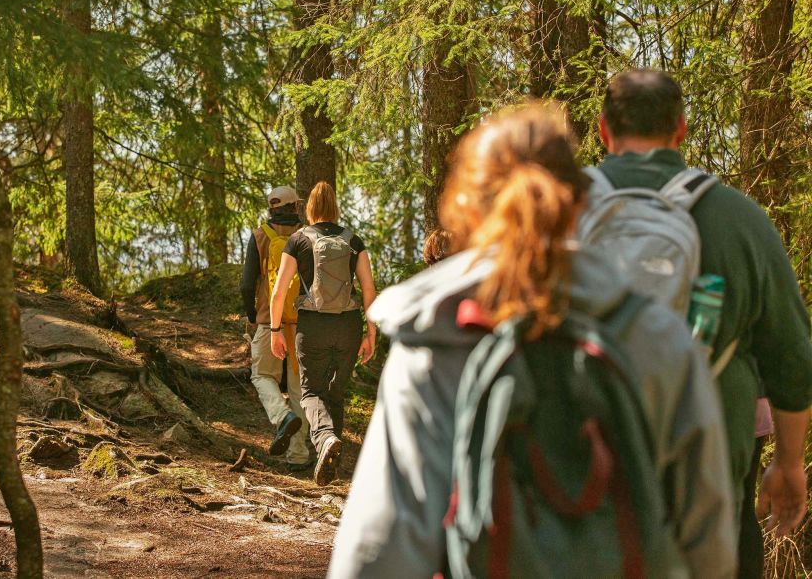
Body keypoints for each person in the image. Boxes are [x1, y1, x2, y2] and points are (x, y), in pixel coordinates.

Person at [329, 103, 736, 578]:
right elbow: (708, 537)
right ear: (582, 203)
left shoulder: (434, 339)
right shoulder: (656, 337)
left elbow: (382, 548)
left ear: (464, 210)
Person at [593, 70, 812, 566]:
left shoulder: (549, 211)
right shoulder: (739, 218)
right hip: (707, 468)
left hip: (579, 469)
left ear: (604, 131)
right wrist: (790, 463)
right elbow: (793, 362)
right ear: (681, 130)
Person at [269, 181, 377, 486]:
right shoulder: (353, 241)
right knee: (335, 394)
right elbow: (368, 289)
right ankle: (331, 464)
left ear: (311, 209)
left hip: (313, 324)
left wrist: (276, 329)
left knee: (311, 392)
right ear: (335, 209)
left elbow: (279, 293)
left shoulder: (298, 240)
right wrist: (371, 332)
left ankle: (326, 439)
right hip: (348, 324)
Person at [239, 186, 309, 470]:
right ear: (295, 207)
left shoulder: (259, 237)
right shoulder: (307, 236)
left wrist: (251, 315)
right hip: (301, 323)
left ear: (271, 208)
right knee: (298, 390)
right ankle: (299, 456)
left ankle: (281, 417)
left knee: (261, 375)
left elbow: (246, 284)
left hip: (269, 321)